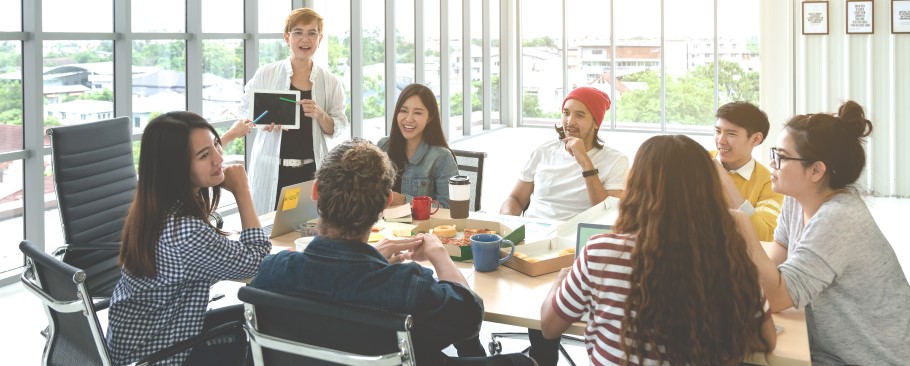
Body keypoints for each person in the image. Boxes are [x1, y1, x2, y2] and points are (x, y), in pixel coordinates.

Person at [250, 139, 534, 365]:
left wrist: (370, 257)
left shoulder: (273, 270)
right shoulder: (405, 285)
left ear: (315, 191)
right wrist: (439, 254)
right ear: (387, 201)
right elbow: (469, 317)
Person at [540, 135, 776, 366]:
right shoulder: (730, 255)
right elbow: (767, 339)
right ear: (708, 189)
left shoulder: (601, 252)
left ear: (636, 186)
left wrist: (559, 284)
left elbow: (549, 328)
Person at [744, 101, 910, 364]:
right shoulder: (796, 199)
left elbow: (776, 296)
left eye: (782, 156)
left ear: (816, 170)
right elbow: (778, 255)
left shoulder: (839, 218)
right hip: (826, 349)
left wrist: (745, 233)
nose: (772, 162)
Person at [106, 112, 271, 365]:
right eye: (205, 155)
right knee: (270, 319)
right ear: (176, 168)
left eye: (216, 144)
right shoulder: (185, 232)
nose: (219, 158)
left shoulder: (151, 209)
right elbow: (258, 264)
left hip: (135, 346)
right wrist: (242, 190)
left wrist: (217, 147)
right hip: (160, 356)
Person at [224, 7, 348, 207]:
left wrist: (321, 115)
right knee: (268, 228)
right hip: (272, 168)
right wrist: (262, 122)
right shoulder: (267, 73)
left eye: (311, 33)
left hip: (311, 170)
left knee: (308, 229)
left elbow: (339, 126)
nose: (305, 40)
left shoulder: (330, 81)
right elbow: (245, 108)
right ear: (287, 37)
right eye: (298, 33)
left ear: (320, 39)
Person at [500, 86, 628, 221]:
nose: (570, 121)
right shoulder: (544, 151)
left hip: (576, 237)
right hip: (534, 231)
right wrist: (506, 220)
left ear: (596, 123)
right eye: (566, 113)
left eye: (579, 115)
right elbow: (516, 199)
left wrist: (585, 162)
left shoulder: (616, 161)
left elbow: (607, 216)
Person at [377, 83, 459, 208]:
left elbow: (451, 209)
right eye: (403, 111)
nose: (409, 119)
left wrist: (404, 200)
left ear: (429, 117)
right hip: (385, 226)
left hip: (423, 227)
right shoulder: (383, 146)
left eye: (418, 113)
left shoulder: (441, 157)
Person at [712, 101, 783, 241]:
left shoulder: (769, 183)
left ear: (756, 139)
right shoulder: (697, 161)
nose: (721, 140)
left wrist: (725, 181)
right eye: (718, 131)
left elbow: (765, 236)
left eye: (731, 134)